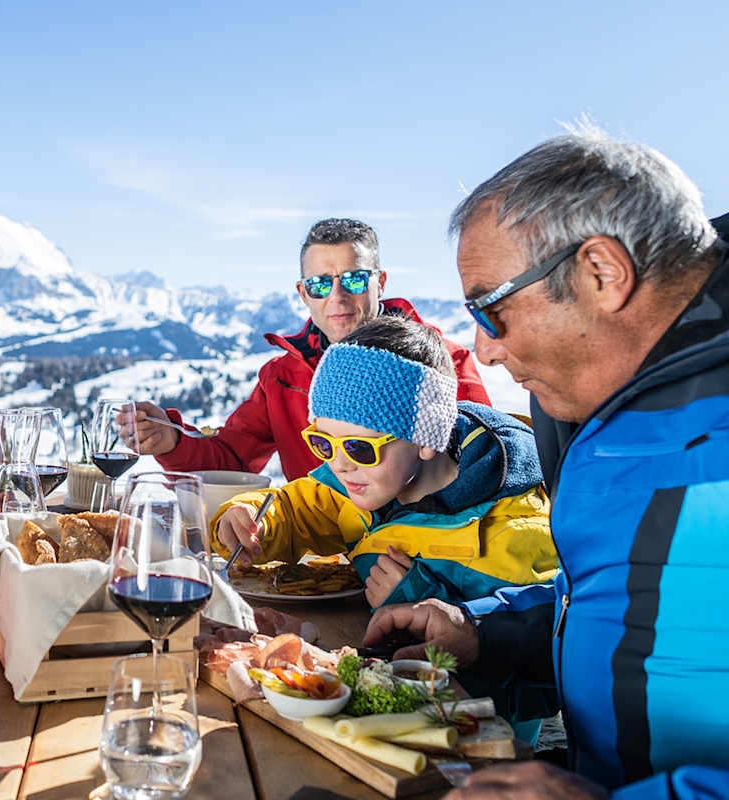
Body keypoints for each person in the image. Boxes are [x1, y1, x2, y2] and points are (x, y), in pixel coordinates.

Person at [364, 130, 729, 799]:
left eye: (491, 309)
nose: (484, 350)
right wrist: (484, 629)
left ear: (601, 272)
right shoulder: (586, 402)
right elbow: (613, 594)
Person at [212, 315, 555, 608]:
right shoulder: (358, 483)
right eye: (324, 443)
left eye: (360, 448)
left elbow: (541, 623)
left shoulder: (513, 535)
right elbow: (297, 509)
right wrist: (251, 517)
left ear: (426, 439)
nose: (340, 465)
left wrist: (422, 599)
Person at [127, 218, 492, 481]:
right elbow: (234, 457)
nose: (337, 296)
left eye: (354, 279)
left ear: (379, 282)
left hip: (417, 552)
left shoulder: (443, 365)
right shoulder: (282, 377)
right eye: (320, 284)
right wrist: (171, 442)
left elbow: (483, 466)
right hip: (317, 554)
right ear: (303, 293)